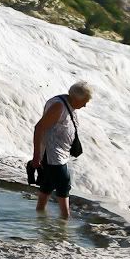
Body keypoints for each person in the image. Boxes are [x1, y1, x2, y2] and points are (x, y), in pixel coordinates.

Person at [31, 82, 92, 220]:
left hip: (58, 152)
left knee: (48, 184)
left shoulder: (67, 103)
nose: (85, 105)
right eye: (84, 101)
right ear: (77, 98)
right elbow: (39, 128)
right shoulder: (59, 106)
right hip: (53, 154)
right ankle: (65, 221)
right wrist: (36, 156)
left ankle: (40, 215)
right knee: (64, 183)